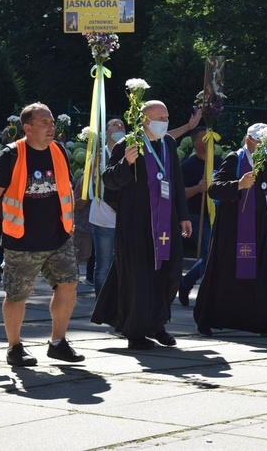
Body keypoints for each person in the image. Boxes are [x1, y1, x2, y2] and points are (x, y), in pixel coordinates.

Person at [0, 102, 84, 367]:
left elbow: (65, 189)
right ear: (27, 128)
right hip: (22, 240)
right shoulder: (11, 155)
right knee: (17, 295)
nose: (51, 127)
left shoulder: (59, 150)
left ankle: (58, 343)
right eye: (44, 123)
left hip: (58, 238)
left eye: (51, 122)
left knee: (69, 285)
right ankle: (14, 347)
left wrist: (69, 226)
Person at [91, 100, 193, 349]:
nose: (164, 121)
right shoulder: (129, 144)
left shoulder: (168, 143)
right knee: (139, 278)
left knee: (168, 275)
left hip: (166, 224)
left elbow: (176, 181)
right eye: (159, 117)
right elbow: (110, 182)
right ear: (145, 120)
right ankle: (135, 331)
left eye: (166, 116)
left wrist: (184, 215)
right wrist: (126, 162)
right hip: (137, 224)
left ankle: (157, 324)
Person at [193, 123, 267, 337]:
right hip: (233, 231)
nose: (265, 148)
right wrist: (238, 184)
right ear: (248, 140)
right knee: (223, 275)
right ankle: (206, 319)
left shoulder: (266, 163)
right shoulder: (235, 159)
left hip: (260, 230)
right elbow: (214, 189)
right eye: (261, 143)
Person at [177, 126, 222, 307]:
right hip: (197, 215)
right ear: (196, 143)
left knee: (211, 254)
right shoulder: (188, 166)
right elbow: (180, 194)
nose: (210, 142)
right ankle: (207, 297)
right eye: (205, 139)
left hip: (218, 214)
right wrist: (198, 188)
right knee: (209, 253)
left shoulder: (219, 161)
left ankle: (186, 282)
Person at [88, 118, 125, 296]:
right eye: (115, 125)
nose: (119, 126)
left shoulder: (131, 153)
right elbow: (90, 184)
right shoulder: (98, 155)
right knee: (103, 264)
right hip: (103, 217)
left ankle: (117, 305)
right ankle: (101, 305)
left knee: (122, 264)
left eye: (122, 125)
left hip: (125, 218)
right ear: (107, 133)